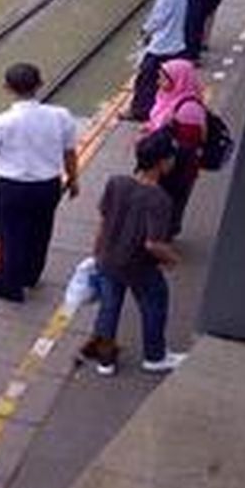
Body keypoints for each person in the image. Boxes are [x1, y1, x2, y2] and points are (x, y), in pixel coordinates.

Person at [78, 132, 187, 375]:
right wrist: (172, 259)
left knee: (109, 306)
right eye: (171, 158)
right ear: (161, 162)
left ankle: (105, 361)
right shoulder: (159, 199)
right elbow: (152, 244)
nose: (173, 162)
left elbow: (104, 221)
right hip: (139, 266)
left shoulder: (116, 183)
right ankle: (155, 356)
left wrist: (96, 253)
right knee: (154, 304)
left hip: (108, 257)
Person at [0, 63, 79, 303]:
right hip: (48, 186)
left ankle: (10, 287)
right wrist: (73, 179)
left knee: (11, 236)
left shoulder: (0, 121)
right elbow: (69, 152)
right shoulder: (60, 116)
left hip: (13, 189)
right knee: (41, 232)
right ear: (40, 85)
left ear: (7, 88)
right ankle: (31, 276)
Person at [143, 59, 206, 238]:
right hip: (160, 162)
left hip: (176, 168)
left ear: (179, 80)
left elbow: (189, 145)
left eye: (163, 79)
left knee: (169, 202)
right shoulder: (167, 97)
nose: (158, 82)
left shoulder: (189, 110)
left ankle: (161, 237)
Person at [120, 0, 188, 122]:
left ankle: (140, 112)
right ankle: (162, 108)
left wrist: (145, 31)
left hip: (161, 47)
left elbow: (157, 20)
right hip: (176, 45)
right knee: (165, 82)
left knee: (144, 81)